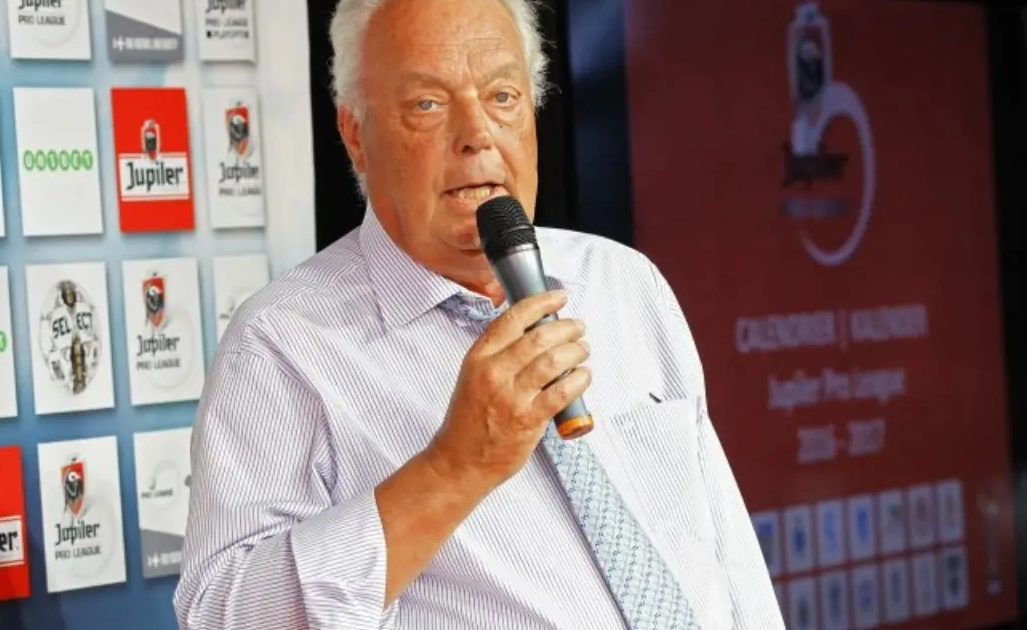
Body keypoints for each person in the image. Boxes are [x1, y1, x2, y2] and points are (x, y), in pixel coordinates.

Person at [174, 0, 785, 627]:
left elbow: (727, 555)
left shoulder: (622, 281)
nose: (476, 134)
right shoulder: (281, 343)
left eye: (502, 97)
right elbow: (226, 614)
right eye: (427, 104)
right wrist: (454, 468)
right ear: (356, 135)